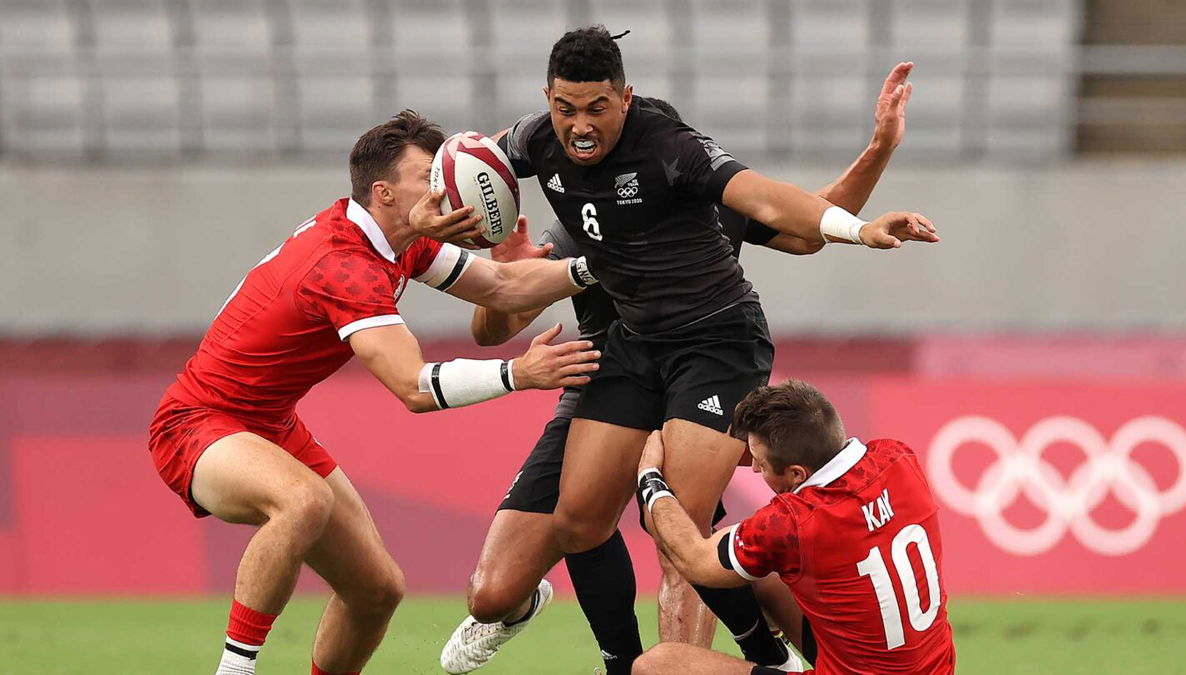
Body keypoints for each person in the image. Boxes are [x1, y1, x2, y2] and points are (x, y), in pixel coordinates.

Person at [463, 25, 937, 671]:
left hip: (715, 345)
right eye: (565, 108)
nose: (579, 127)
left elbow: (788, 212)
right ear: (547, 99)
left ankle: (715, 660)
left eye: (597, 109)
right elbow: (474, 210)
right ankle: (655, 661)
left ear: (627, 101)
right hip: (623, 352)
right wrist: (432, 219)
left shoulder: (676, 158)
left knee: (680, 531)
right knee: (577, 523)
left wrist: (862, 218)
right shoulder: (541, 164)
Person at [147, 110, 604, 675]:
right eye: (427, 179)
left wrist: (603, 266)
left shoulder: (400, 239)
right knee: (300, 502)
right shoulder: (345, 265)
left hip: (271, 426)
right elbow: (413, 387)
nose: (441, 188)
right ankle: (234, 672)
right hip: (198, 422)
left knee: (377, 590)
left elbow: (503, 286)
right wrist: (518, 374)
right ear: (384, 193)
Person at [632, 380, 956, 674]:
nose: (755, 468)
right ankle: (776, 662)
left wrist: (650, 479)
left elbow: (695, 559)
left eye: (759, 460)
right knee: (754, 568)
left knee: (655, 666)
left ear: (797, 474)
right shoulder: (898, 457)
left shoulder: (793, 524)